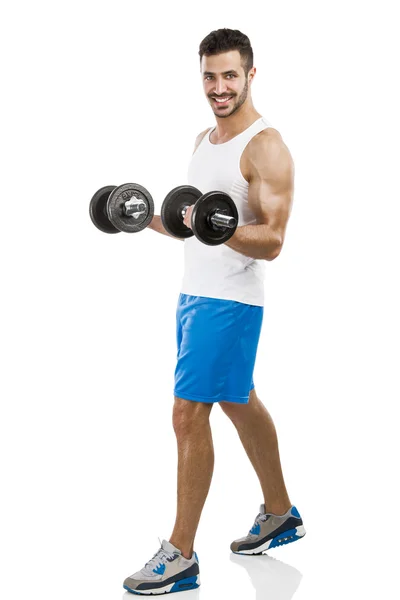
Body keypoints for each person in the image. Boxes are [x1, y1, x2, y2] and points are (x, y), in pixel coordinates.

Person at [123, 28, 305, 596]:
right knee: (237, 397)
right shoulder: (203, 140)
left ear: (251, 75)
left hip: (231, 302)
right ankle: (281, 512)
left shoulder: (266, 145)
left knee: (187, 413)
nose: (219, 87)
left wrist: (222, 228)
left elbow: (271, 238)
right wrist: (141, 215)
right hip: (194, 294)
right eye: (210, 75)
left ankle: (180, 554)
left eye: (230, 75)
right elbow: (193, 224)